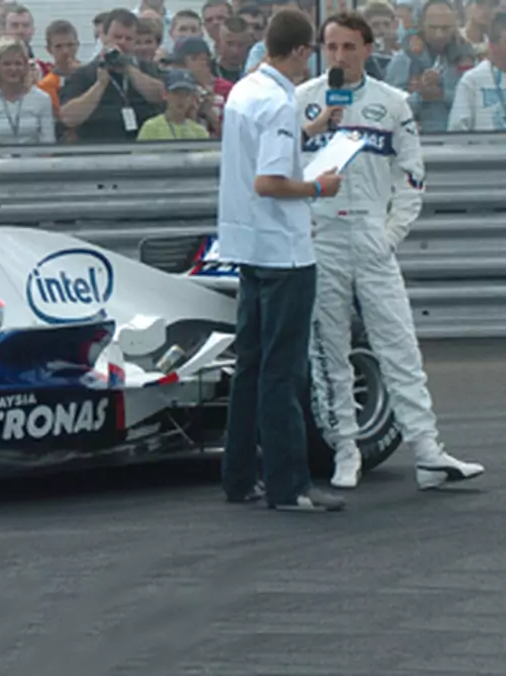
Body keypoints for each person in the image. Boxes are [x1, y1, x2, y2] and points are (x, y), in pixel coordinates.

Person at [297, 11, 485, 490]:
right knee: (329, 349)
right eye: (331, 48)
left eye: (349, 47)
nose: (339, 56)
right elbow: (284, 174)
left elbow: (412, 175)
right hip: (322, 237)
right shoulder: (301, 101)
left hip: (371, 236)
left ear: (367, 47)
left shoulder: (393, 102)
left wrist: (391, 232)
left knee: (398, 342)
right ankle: (345, 449)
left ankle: (428, 451)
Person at [216, 8, 346, 513]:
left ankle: (239, 476)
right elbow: (269, 182)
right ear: (298, 51)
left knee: (250, 364)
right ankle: (290, 484)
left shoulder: (247, 91)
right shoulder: (277, 103)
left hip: (248, 244)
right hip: (283, 251)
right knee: (282, 370)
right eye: (310, 50)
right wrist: (319, 186)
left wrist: (309, 129)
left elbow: (260, 159)